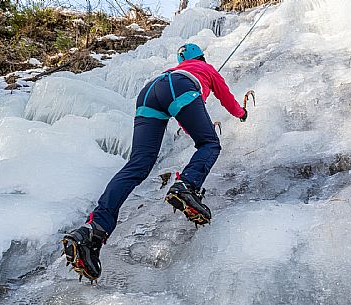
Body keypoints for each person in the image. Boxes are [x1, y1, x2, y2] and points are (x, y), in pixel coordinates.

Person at [62, 43, 248, 282]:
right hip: (180, 87)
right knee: (210, 144)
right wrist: (241, 114)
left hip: (150, 92)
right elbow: (225, 97)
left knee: (138, 164)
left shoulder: (176, 68)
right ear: (201, 57)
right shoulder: (206, 68)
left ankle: (93, 231)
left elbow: (182, 114)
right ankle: (186, 185)